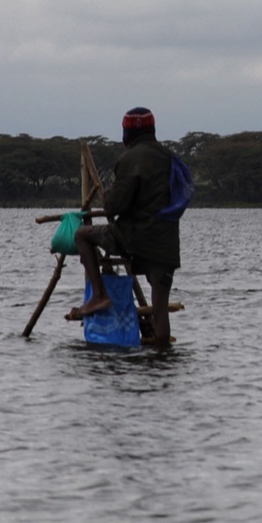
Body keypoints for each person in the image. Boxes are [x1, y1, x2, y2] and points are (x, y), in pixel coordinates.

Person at [66, 107, 181, 347]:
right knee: (160, 312)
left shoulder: (130, 159)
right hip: (166, 245)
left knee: (82, 235)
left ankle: (99, 296)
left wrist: (108, 193)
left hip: (133, 238)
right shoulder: (169, 157)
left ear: (128, 132)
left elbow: (113, 207)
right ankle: (161, 358)